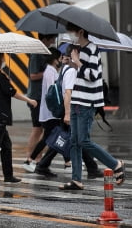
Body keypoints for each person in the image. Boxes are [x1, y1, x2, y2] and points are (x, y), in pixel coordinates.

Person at [60, 23, 125, 191]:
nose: (70, 34)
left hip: (87, 102)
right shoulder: (78, 50)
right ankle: (76, 180)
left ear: (80, 31)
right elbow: (81, 74)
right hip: (77, 99)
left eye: (71, 31)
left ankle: (115, 163)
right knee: (74, 142)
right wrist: (72, 63)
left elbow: (93, 75)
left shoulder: (92, 49)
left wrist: (78, 62)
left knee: (83, 140)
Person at [35, 45, 102, 178]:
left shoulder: (65, 69)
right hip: (69, 111)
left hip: (68, 111)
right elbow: (68, 93)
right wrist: (67, 114)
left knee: (67, 139)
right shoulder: (71, 71)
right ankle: (92, 168)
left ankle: (43, 165)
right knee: (76, 139)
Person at [0, 53, 37, 186]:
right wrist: (29, 100)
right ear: (0, 59)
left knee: (6, 146)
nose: (5, 59)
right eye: (3, 57)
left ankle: (8, 175)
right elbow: (13, 92)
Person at [23, 33, 57, 172]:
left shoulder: (43, 53)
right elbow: (33, 75)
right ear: (45, 39)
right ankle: (29, 158)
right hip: (35, 97)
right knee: (38, 128)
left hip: (41, 97)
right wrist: (50, 70)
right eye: (52, 38)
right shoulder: (37, 53)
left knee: (42, 129)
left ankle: (36, 158)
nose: (53, 41)